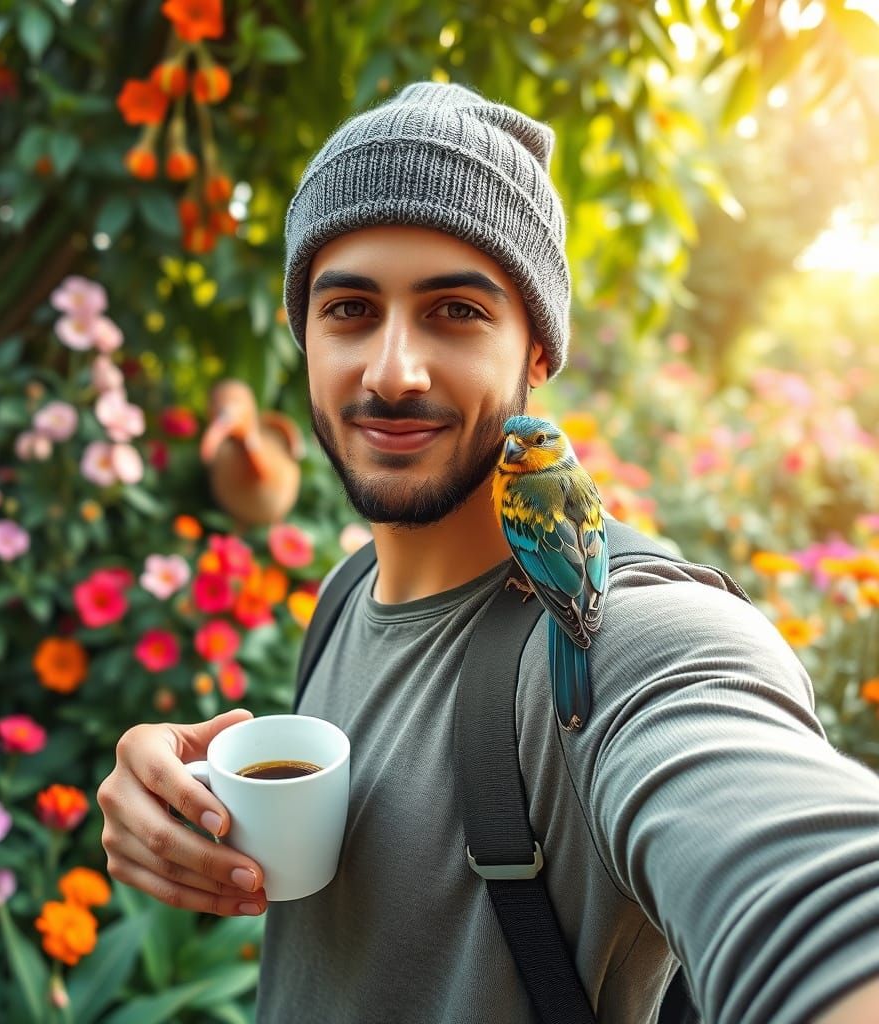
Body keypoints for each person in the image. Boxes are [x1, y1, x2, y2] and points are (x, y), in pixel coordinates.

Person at [97, 82, 879, 1023]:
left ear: (537, 355)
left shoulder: (647, 644)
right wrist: (188, 813)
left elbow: (799, 877)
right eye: (349, 308)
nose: (392, 370)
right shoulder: (345, 595)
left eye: (456, 311)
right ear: (303, 335)